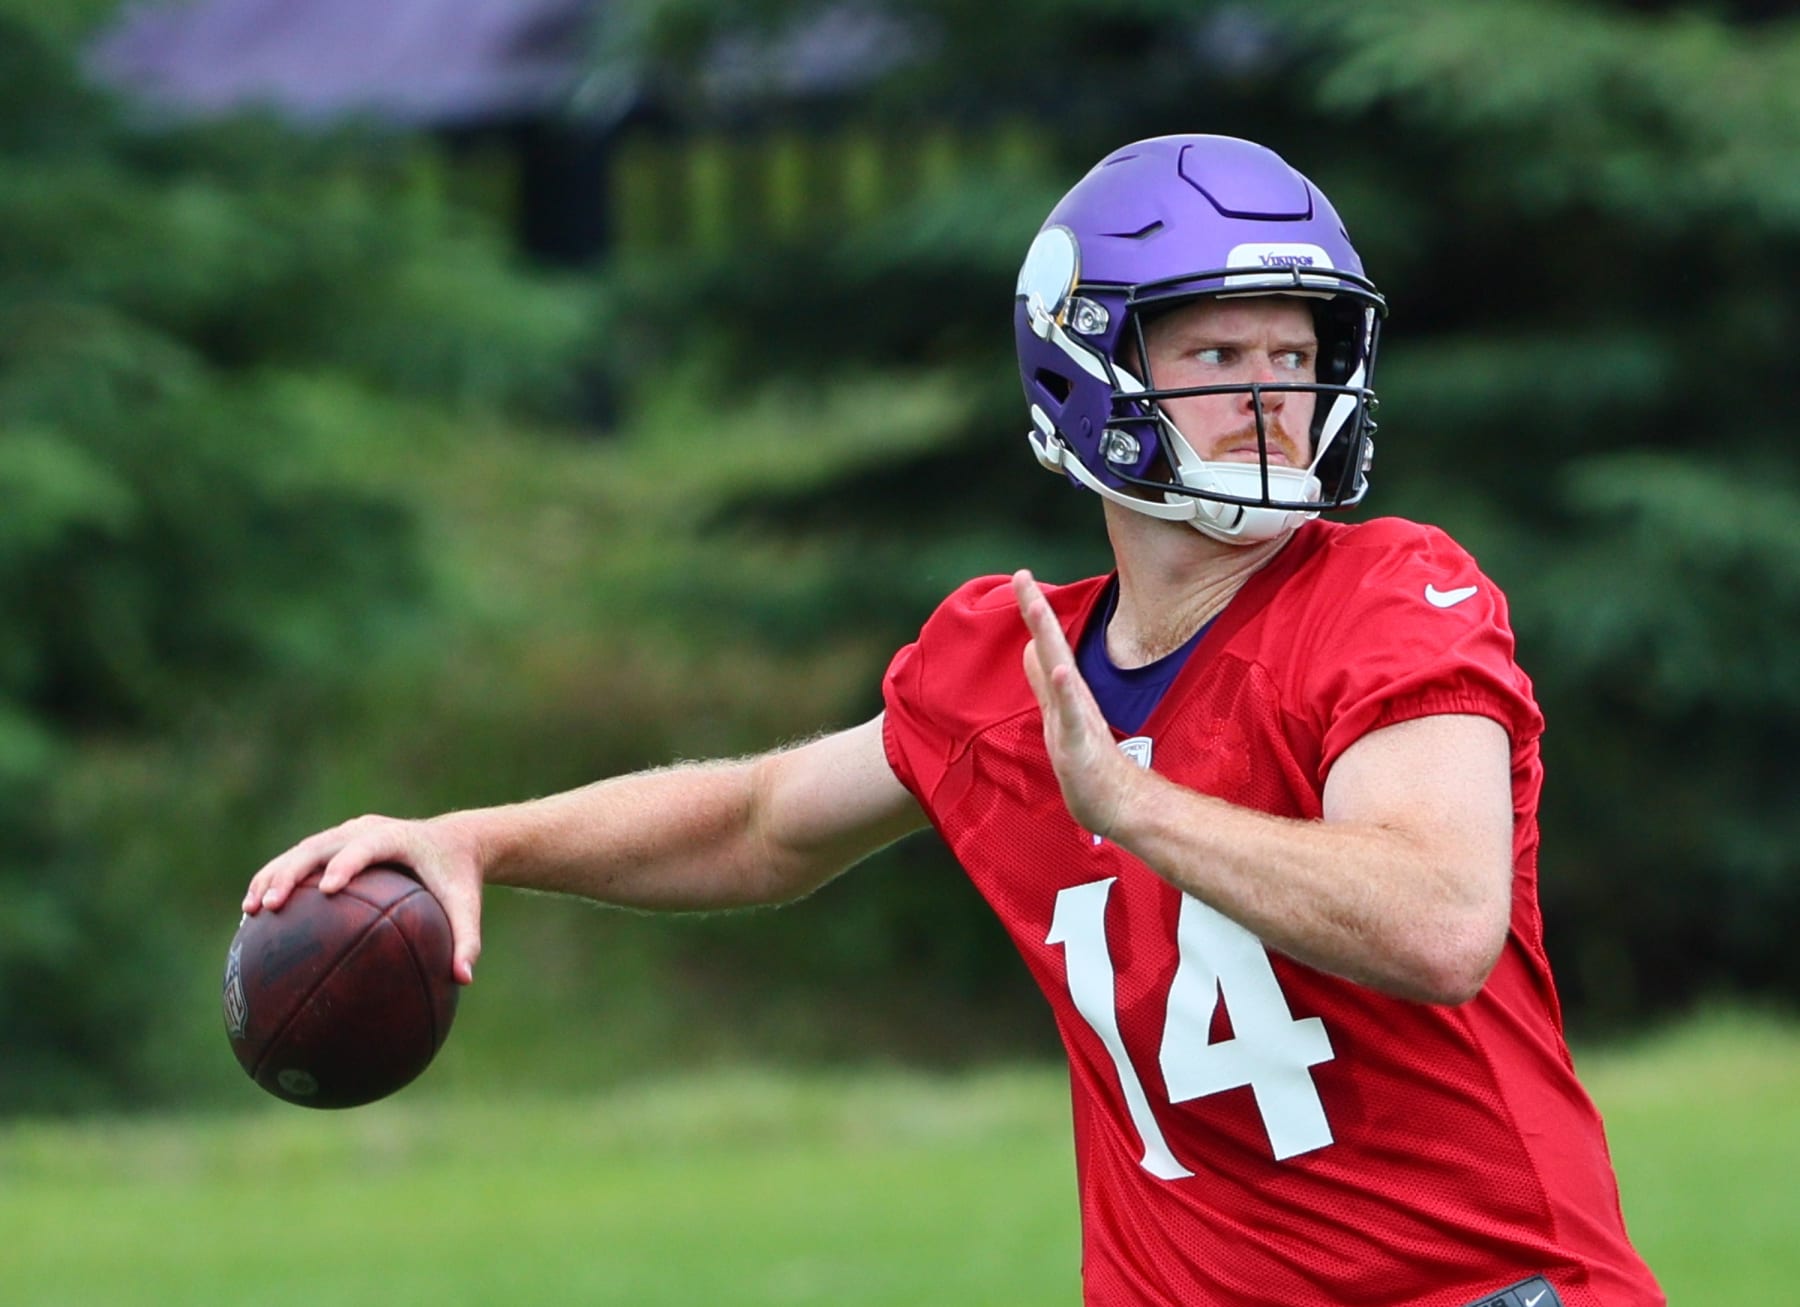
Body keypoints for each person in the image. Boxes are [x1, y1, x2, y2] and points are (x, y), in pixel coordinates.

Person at [243, 134, 1665, 1307]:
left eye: (1295, 357)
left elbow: (1437, 919)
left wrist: (1138, 810)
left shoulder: (1393, 593)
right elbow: (756, 825)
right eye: (1221, 353)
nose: (1271, 400)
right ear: (1089, 365)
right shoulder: (1018, 660)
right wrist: (475, 838)